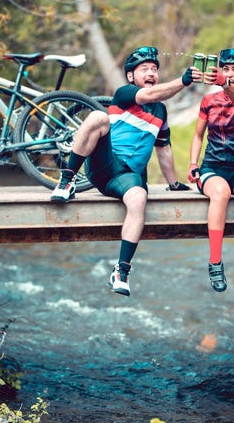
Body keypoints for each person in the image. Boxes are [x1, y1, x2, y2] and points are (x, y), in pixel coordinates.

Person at [51, 46, 199, 297]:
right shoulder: (126, 93)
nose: (151, 72)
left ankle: (121, 271)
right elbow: (149, 94)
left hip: (127, 177)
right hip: (104, 165)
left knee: (139, 198)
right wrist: (183, 80)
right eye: (144, 69)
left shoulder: (161, 111)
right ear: (131, 76)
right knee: (98, 117)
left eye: (154, 69)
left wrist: (173, 184)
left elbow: (163, 150)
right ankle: (67, 180)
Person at [187, 47, 234, 292]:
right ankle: (215, 263)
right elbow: (198, 136)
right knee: (219, 194)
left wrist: (224, 84)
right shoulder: (209, 100)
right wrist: (193, 164)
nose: (230, 73)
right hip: (212, 168)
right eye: (226, 68)